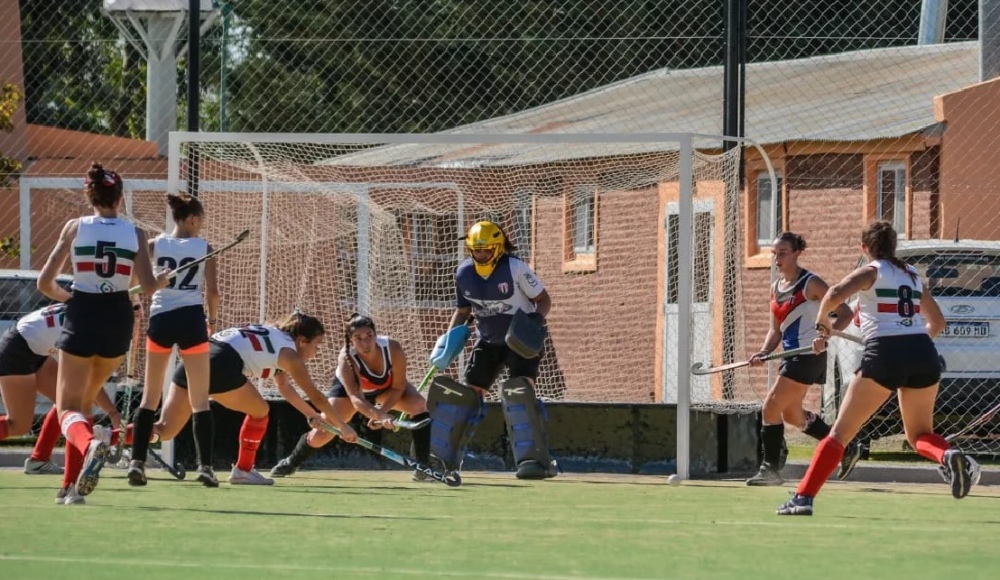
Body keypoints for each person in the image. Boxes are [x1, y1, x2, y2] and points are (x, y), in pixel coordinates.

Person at [778, 221, 981, 516]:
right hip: (924, 353)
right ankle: (949, 455)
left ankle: (802, 498)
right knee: (919, 435)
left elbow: (833, 293)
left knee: (839, 434)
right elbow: (937, 323)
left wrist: (823, 325)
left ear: (865, 249)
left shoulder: (870, 271)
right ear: (893, 246)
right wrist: (910, 343)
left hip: (885, 354)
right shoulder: (912, 276)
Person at [37, 162, 167, 505]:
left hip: (83, 314)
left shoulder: (75, 227)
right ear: (119, 199)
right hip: (118, 321)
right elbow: (149, 287)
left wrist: (71, 298)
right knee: (82, 406)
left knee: (67, 409)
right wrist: (162, 279)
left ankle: (89, 445)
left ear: (90, 196)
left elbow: (44, 283)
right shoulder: (135, 234)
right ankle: (69, 490)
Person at [151, 311, 358, 485]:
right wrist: (342, 426)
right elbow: (317, 396)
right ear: (302, 341)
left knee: (164, 430)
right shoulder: (290, 355)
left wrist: (311, 415)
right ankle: (243, 470)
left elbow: (284, 387)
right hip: (222, 364)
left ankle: (120, 435)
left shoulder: (276, 338)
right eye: (316, 345)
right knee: (260, 411)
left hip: (196, 356)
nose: (316, 352)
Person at [427, 220, 556, 480]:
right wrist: (449, 340)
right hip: (487, 342)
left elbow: (543, 300)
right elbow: (463, 311)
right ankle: (444, 460)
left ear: (497, 248)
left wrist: (534, 322)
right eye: (476, 250)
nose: (480, 255)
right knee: (469, 395)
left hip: (519, 342)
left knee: (520, 391)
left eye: (485, 250)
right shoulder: (463, 273)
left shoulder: (515, 268)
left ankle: (534, 461)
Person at [746, 232, 858, 486]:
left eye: (783, 253)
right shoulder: (776, 288)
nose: (777, 258)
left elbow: (845, 313)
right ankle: (845, 446)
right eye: (774, 254)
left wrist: (825, 336)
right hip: (790, 356)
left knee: (770, 407)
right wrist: (763, 352)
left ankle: (770, 470)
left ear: (797, 253)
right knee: (792, 415)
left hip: (808, 355)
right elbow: (776, 330)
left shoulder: (811, 284)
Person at [127, 193, 220, 488]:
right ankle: (205, 467)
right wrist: (213, 321)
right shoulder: (204, 247)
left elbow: (134, 278)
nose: (201, 226)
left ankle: (137, 463)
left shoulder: (154, 244)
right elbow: (213, 294)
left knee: (150, 396)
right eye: (201, 221)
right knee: (200, 399)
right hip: (192, 320)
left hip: (161, 319)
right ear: (192, 219)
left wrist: (136, 299)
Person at [269, 314, 432, 480]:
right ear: (351, 340)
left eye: (369, 336)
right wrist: (379, 416)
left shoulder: (393, 348)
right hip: (349, 394)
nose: (366, 343)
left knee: (418, 404)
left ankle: (423, 466)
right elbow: (356, 399)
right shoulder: (347, 358)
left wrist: (382, 412)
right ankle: (291, 461)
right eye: (358, 338)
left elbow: (398, 387)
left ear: (376, 335)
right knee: (321, 433)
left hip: (386, 389)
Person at [0, 302, 122, 475]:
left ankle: (39, 460)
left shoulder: (87, 307)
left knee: (67, 402)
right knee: (18, 425)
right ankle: (76, 462)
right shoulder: (88, 329)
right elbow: (88, 384)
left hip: (32, 347)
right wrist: (113, 413)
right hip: (17, 351)